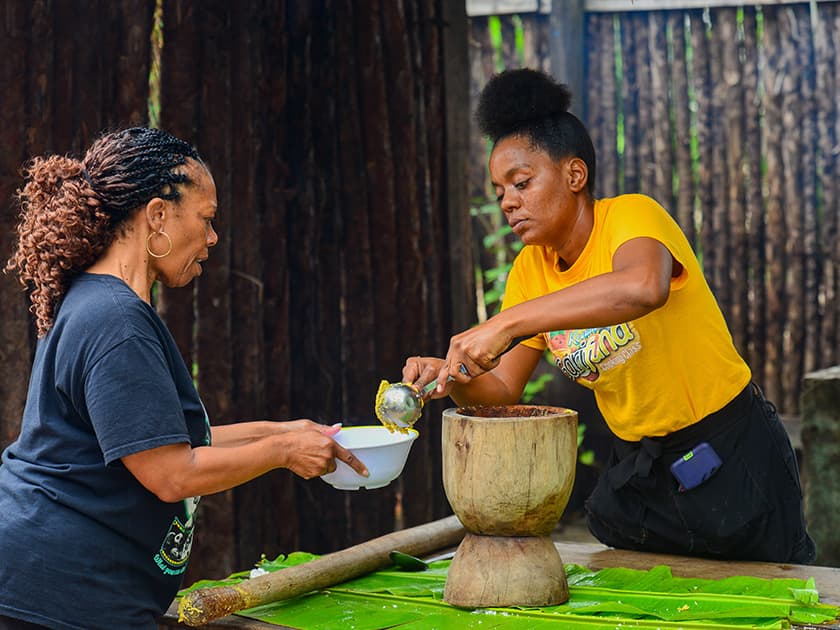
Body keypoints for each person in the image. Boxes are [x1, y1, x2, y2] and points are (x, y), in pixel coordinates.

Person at [402, 68, 815, 565]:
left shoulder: (632, 217)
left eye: (521, 183)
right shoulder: (529, 271)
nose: (508, 202)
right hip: (645, 466)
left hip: (728, 449)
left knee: (775, 600)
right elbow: (501, 389)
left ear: (574, 175)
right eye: (500, 191)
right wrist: (454, 375)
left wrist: (508, 323)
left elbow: (643, 287)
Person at [0, 127, 368, 630]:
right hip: (59, 592)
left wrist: (284, 431)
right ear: (157, 216)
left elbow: (160, 442)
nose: (213, 238)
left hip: (50, 580)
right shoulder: (116, 321)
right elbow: (172, 474)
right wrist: (283, 454)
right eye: (207, 219)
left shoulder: (98, 302)